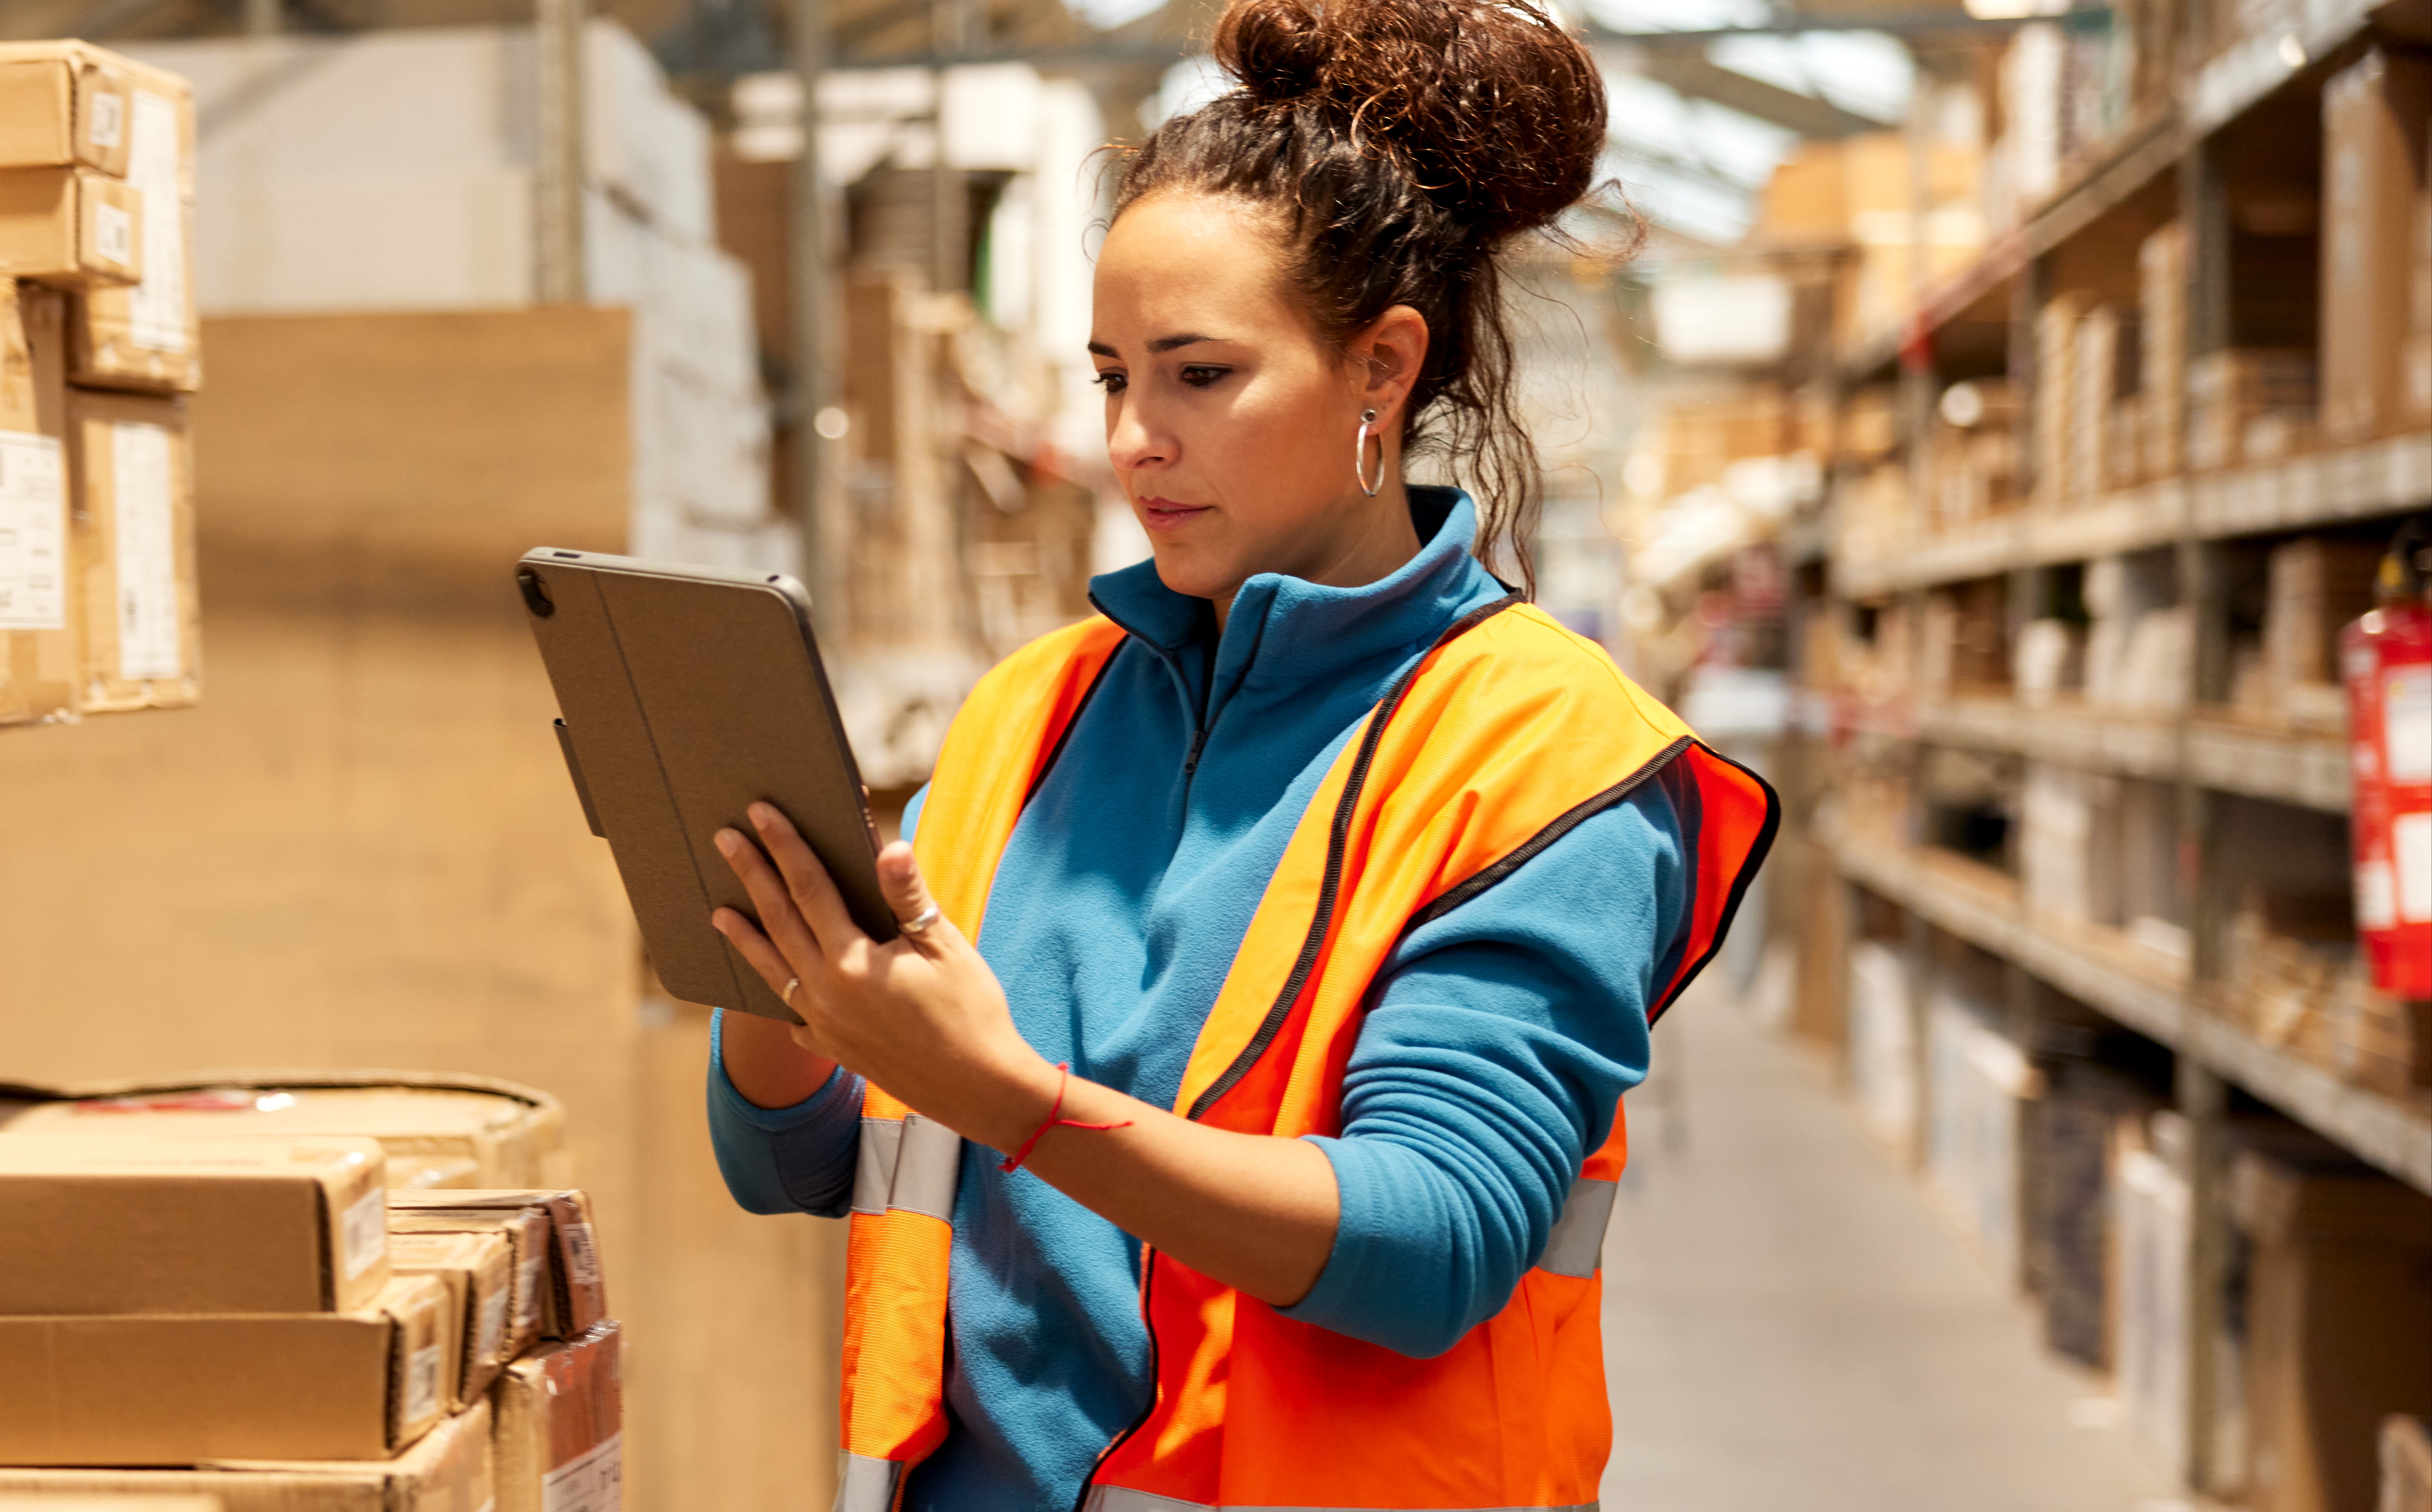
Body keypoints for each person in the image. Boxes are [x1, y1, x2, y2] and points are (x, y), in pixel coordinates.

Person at [698, 1, 1777, 1508]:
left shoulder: (1543, 753)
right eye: (1112, 377)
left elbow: (1436, 1238)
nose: (1133, 438)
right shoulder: (1030, 714)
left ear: (1381, 368)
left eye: (1197, 375)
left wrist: (1013, 1097)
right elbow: (797, 1163)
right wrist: (782, 969)